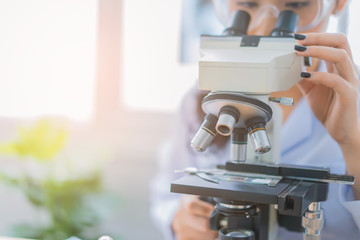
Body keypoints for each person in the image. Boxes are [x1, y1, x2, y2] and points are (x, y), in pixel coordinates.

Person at [150, 0, 360, 239]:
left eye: (297, 5)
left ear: (338, 4)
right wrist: (180, 220)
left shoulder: (354, 102)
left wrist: (351, 141)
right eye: (246, 4)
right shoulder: (200, 97)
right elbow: (165, 195)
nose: (265, 27)